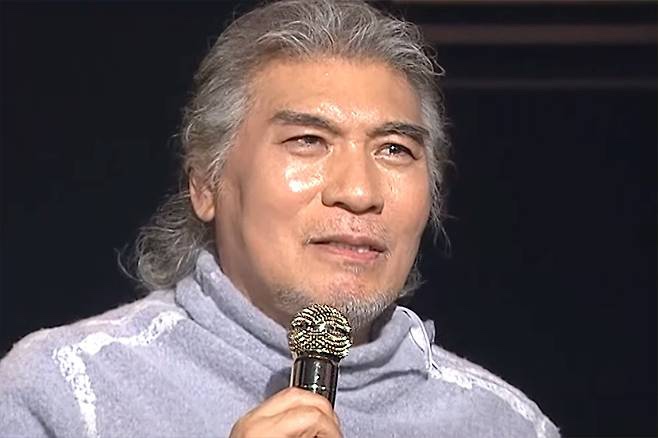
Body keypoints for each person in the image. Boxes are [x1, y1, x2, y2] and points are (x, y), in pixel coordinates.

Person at [0, 1, 560, 437]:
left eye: (394, 149)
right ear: (206, 183)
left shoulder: (504, 425)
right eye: (308, 141)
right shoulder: (66, 395)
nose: (359, 192)